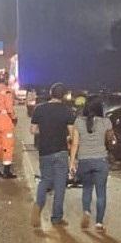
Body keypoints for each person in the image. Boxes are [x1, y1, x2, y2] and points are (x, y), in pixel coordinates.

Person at [30, 82, 77, 227]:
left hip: (45, 151)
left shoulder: (39, 109)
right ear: (63, 96)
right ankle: (56, 218)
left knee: (45, 180)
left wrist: (44, 131)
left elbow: (33, 130)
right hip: (61, 151)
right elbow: (72, 134)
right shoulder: (67, 111)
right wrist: (73, 158)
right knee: (60, 185)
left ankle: (38, 205)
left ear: (50, 93)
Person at [70, 96, 116, 232]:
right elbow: (112, 141)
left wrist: (72, 162)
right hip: (100, 161)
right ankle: (99, 224)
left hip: (84, 161)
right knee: (101, 193)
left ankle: (86, 212)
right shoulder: (106, 122)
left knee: (87, 189)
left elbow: (75, 144)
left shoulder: (78, 121)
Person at [0, 70, 18, 179]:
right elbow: (10, 109)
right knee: (7, 146)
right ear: (5, 79)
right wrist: (14, 118)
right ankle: (6, 171)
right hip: (5, 121)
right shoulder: (7, 92)